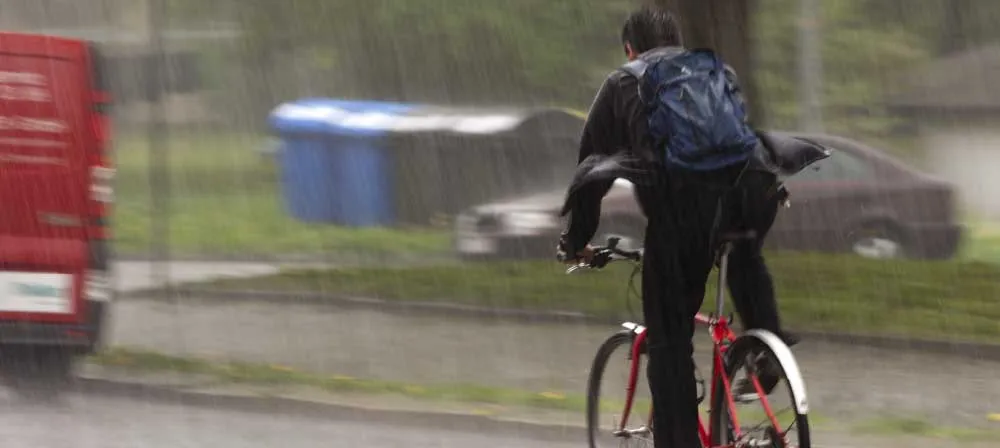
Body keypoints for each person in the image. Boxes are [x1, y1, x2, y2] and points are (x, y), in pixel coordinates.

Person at [556, 5, 806, 447]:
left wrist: (575, 242)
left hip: (687, 206)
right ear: (676, 39)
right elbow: (736, 137)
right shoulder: (713, 69)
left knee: (669, 337)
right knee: (744, 250)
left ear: (630, 48)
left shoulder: (624, 80)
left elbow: (590, 170)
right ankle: (766, 348)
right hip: (752, 190)